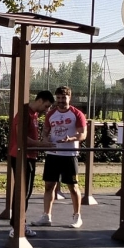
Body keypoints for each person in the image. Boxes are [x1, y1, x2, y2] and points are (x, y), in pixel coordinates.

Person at [33, 86, 87, 229]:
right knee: (49, 186)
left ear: (70, 98)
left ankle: (77, 216)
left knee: (73, 186)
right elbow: (45, 132)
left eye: (64, 98)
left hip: (69, 154)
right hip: (53, 154)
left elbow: (83, 134)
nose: (61, 101)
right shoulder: (51, 114)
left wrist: (72, 138)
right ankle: (46, 216)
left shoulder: (77, 114)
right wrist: (45, 140)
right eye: (59, 98)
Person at [7, 90, 55, 238]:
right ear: (40, 100)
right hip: (21, 156)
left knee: (26, 192)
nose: (46, 110)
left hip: (30, 156)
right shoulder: (24, 113)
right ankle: (16, 226)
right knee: (22, 192)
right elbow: (21, 137)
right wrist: (42, 144)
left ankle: (20, 223)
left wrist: (41, 143)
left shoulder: (34, 114)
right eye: (46, 106)